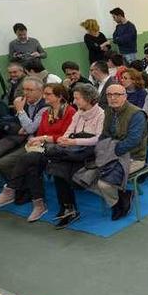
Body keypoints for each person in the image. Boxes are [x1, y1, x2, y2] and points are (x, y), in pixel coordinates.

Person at [0, 84, 75, 221]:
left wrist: (42, 138)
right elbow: (40, 132)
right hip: (44, 148)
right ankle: (38, 205)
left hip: (60, 150)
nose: (44, 96)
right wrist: (35, 140)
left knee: (28, 159)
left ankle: (11, 190)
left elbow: (66, 137)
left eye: (48, 94)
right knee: (31, 165)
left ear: (60, 96)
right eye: (44, 93)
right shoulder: (47, 112)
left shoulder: (70, 112)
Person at [88, 83, 148, 221]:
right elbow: (104, 135)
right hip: (113, 153)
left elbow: (133, 141)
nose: (113, 98)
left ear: (125, 96)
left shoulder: (137, 114)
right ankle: (122, 196)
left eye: (117, 95)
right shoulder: (109, 111)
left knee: (104, 183)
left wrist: (110, 151)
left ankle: (115, 204)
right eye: (109, 95)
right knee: (84, 176)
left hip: (134, 157)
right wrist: (104, 151)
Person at [50, 84, 106, 228]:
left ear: (88, 99)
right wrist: (64, 139)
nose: (74, 102)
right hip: (75, 151)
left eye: (77, 98)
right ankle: (68, 208)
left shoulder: (101, 114)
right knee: (59, 170)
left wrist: (73, 141)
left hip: (91, 152)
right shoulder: (78, 113)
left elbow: (97, 139)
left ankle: (68, 208)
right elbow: (69, 131)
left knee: (58, 165)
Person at [0, 76, 47, 181]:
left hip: (37, 142)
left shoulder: (45, 106)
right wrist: (19, 126)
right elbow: (17, 121)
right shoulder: (24, 101)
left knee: (3, 163)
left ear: (40, 91)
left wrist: (20, 110)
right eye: (24, 89)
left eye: (30, 90)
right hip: (20, 138)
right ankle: (18, 186)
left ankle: (21, 187)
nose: (25, 93)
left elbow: (30, 129)